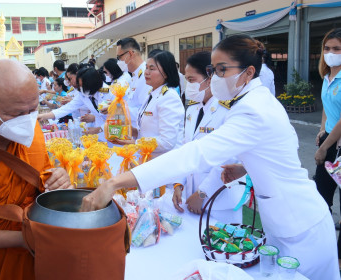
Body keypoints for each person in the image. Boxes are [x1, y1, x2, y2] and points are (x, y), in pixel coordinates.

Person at [81, 35, 339, 280]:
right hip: (283, 221)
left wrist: (116, 183)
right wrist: (245, 167)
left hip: (301, 226)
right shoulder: (253, 100)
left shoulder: (253, 109)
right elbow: (282, 148)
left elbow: (196, 153)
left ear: (249, 72)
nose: (214, 77)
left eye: (221, 70)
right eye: (213, 70)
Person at [0, 59, 72, 280]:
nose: (28, 120)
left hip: (37, 252)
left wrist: (58, 179)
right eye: (17, 114)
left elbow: (41, 176)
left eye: (33, 109)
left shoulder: (26, 125)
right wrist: (23, 238)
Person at [172, 51, 244, 223]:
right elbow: (184, 148)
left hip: (220, 201)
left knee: (220, 246)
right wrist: (178, 183)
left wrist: (203, 193)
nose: (188, 86)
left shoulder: (229, 110)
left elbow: (228, 158)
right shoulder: (192, 109)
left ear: (210, 79)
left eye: (191, 80)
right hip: (191, 197)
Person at [111, 50, 185, 158]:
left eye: (152, 68)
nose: (146, 72)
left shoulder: (169, 97)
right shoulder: (152, 94)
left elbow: (167, 142)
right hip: (149, 159)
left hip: (164, 162)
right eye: (146, 67)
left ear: (165, 72)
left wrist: (134, 144)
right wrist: (128, 130)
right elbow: (145, 132)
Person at [314, 28, 341, 264]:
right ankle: (322, 246)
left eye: (337, 49)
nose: (330, 53)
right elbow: (326, 106)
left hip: (338, 146)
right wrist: (322, 129)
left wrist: (325, 147)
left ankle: (339, 259)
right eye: (327, 48)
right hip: (329, 140)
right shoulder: (327, 77)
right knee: (321, 196)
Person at [38, 67, 114, 141]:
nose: (80, 89)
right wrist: (43, 116)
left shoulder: (110, 93)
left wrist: (99, 129)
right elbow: (67, 108)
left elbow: (118, 119)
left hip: (114, 134)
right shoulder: (84, 93)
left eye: (82, 86)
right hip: (99, 135)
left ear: (91, 83)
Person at [116, 37, 152, 128]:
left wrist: (119, 110)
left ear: (130, 54)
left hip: (142, 132)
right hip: (133, 132)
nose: (118, 61)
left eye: (119, 57)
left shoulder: (146, 75)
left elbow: (146, 112)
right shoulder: (134, 76)